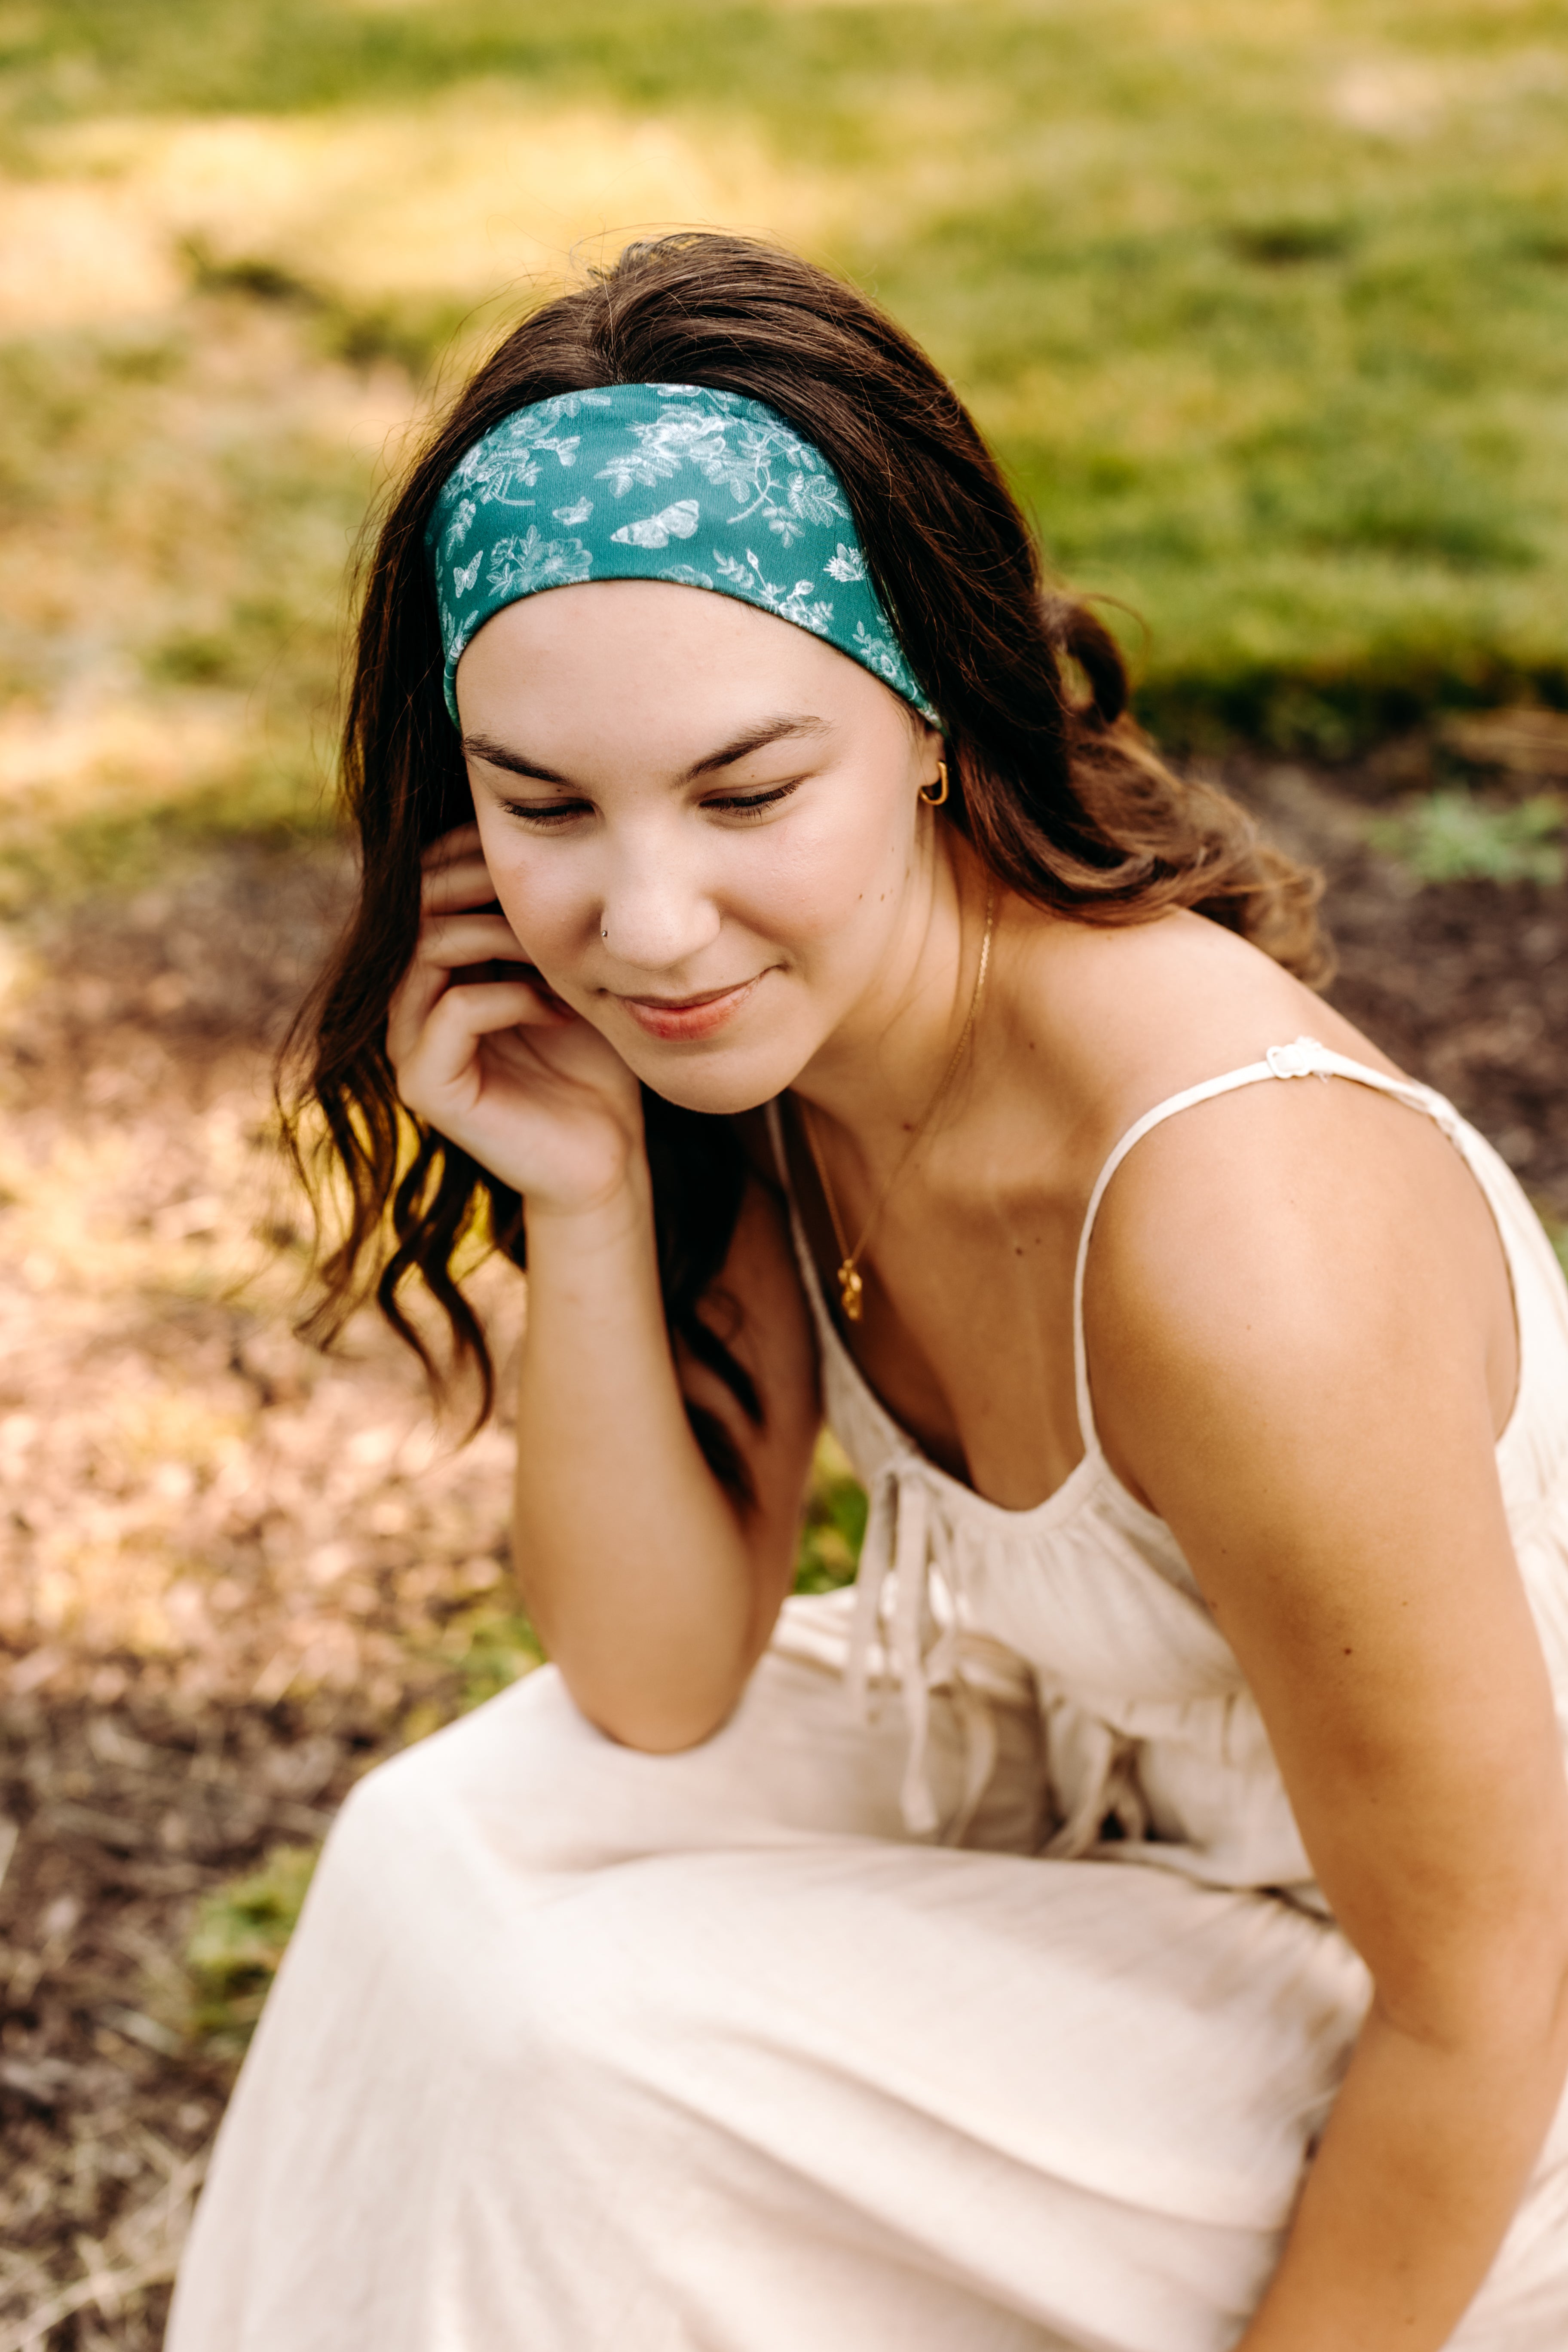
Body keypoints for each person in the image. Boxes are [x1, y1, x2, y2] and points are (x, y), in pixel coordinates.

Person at [166, 233, 1568, 2352]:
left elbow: (1492, 1988)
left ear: (927, 716)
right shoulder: (767, 1030)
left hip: (1452, 2049)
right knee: (434, 1856)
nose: (646, 920)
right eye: (543, 804)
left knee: (589, 2046)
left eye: (748, 791)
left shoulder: (1236, 1231)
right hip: (1107, 1804)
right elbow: (655, 1681)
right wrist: (583, 1192)